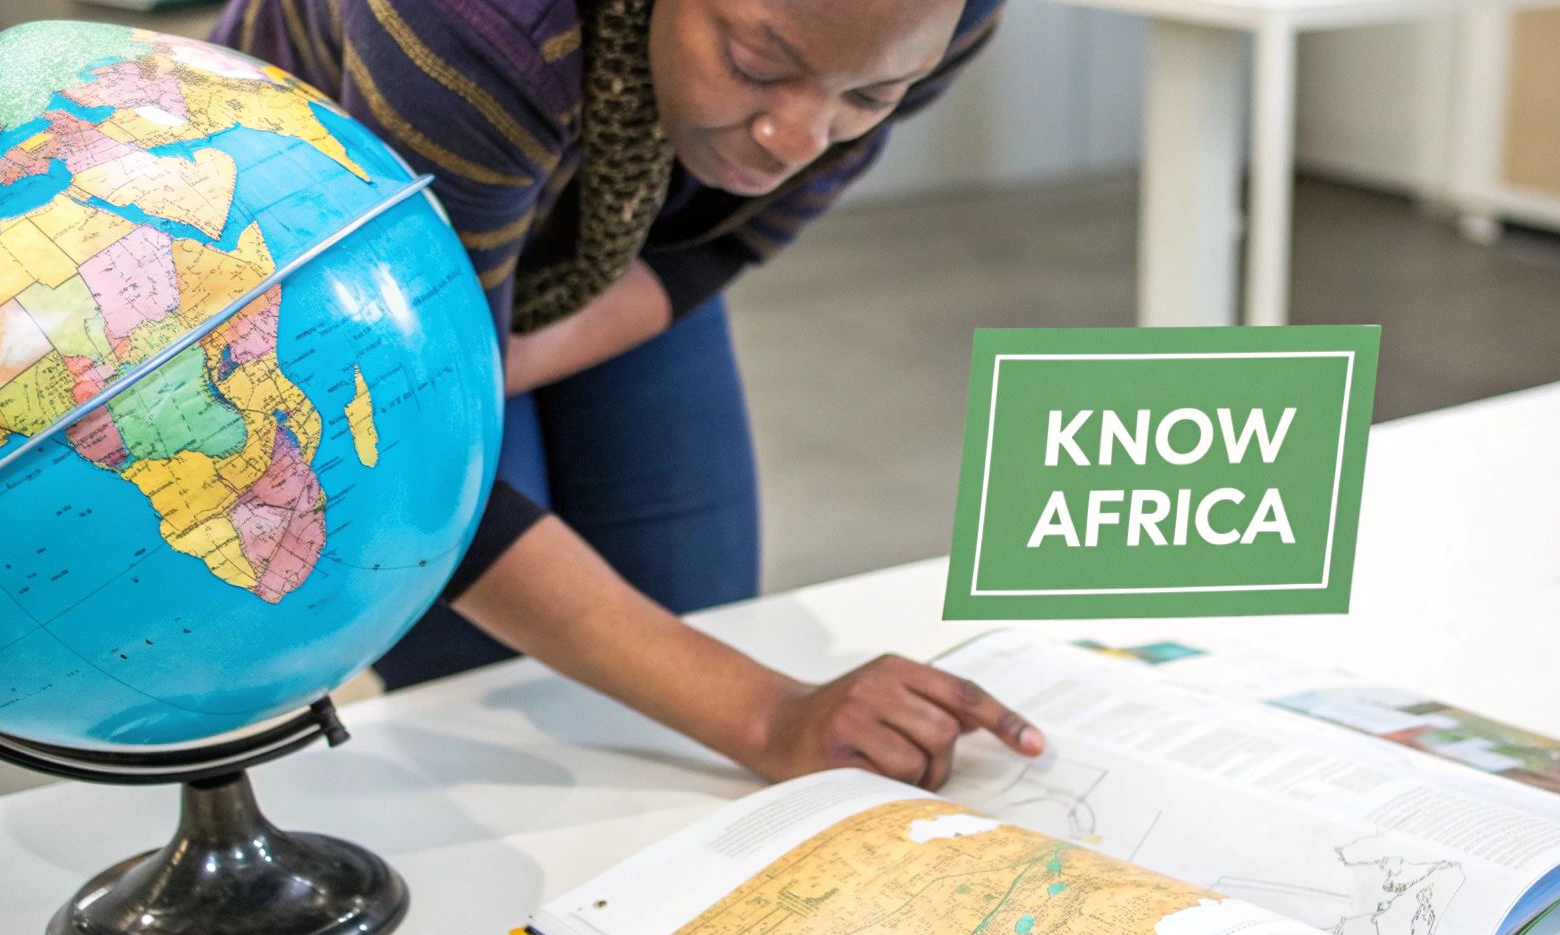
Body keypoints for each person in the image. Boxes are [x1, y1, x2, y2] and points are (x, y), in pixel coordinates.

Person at [209, 0, 1042, 790]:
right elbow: (415, 463)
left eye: (867, 97)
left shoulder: (939, 19)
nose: (794, 137)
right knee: (490, 710)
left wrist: (495, 370)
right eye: (757, 63)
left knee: (696, 629)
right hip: (329, 257)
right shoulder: (476, 23)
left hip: (605, 241)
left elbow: (725, 238)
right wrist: (769, 717)